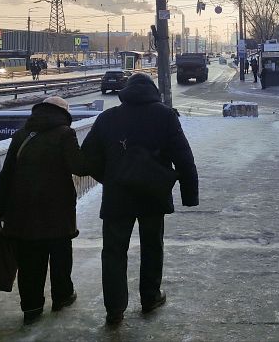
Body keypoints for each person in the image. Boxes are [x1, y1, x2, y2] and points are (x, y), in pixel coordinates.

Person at [81, 73, 199, 326]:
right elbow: (184, 158)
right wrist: (189, 195)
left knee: (113, 252)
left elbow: (85, 160)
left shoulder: (108, 118)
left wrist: (110, 177)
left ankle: (114, 309)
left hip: (117, 197)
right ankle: (150, 297)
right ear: (153, 92)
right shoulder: (165, 116)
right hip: (153, 194)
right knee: (152, 246)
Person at [0, 97, 90, 325]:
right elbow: (79, 167)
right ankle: (62, 297)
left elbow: (7, 173)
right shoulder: (65, 134)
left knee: (28, 262)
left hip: (21, 211)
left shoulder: (22, 135)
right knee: (60, 257)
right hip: (57, 211)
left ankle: (31, 308)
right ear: (63, 113)